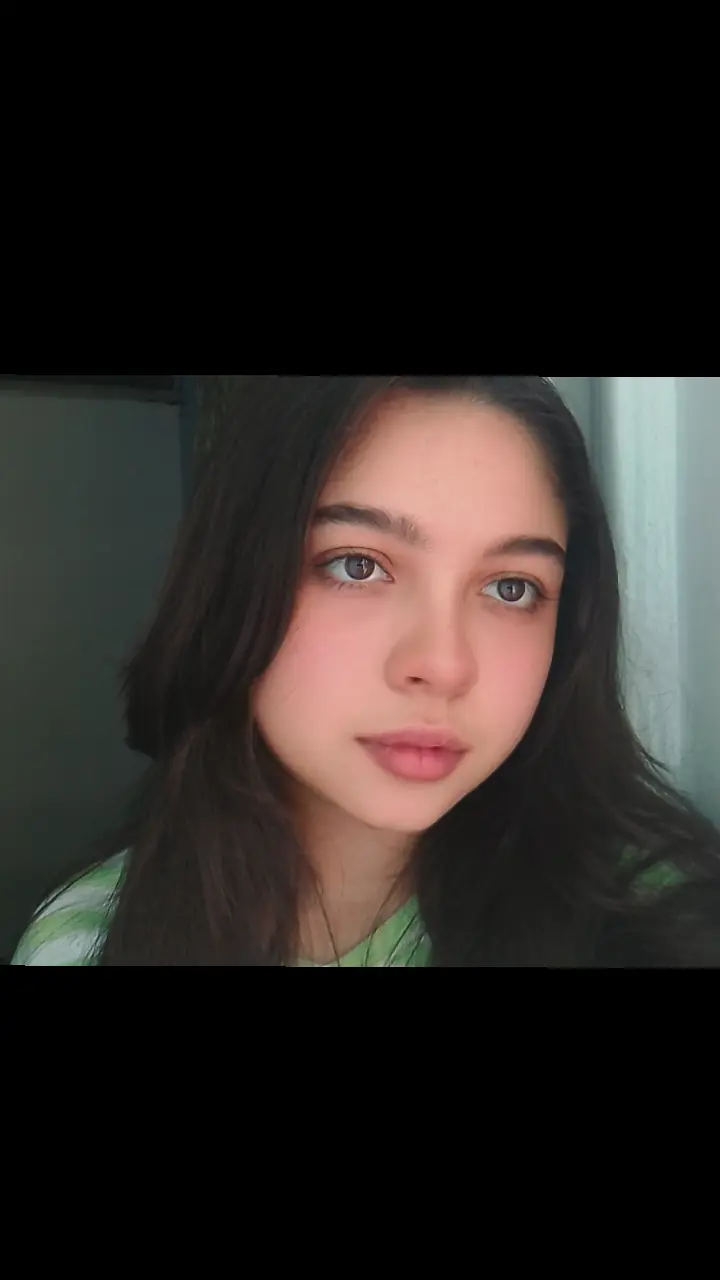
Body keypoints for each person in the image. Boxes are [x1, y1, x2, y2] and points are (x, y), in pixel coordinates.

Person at [12, 376, 720, 966]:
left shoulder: (661, 922)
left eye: (511, 588)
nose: (443, 666)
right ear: (236, 577)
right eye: (357, 566)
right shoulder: (88, 941)